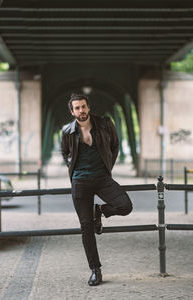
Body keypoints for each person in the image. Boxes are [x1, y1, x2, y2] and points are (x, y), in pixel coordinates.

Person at [61, 93, 133, 286]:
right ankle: (95, 270)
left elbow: (115, 146)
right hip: (80, 182)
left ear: (88, 107)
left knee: (125, 205)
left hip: (101, 178)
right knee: (86, 228)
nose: (81, 110)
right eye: (77, 108)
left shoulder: (105, 123)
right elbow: (65, 153)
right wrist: (74, 170)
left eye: (83, 106)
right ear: (72, 111)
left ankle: (99, 210)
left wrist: (107, 166)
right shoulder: (67, 131)